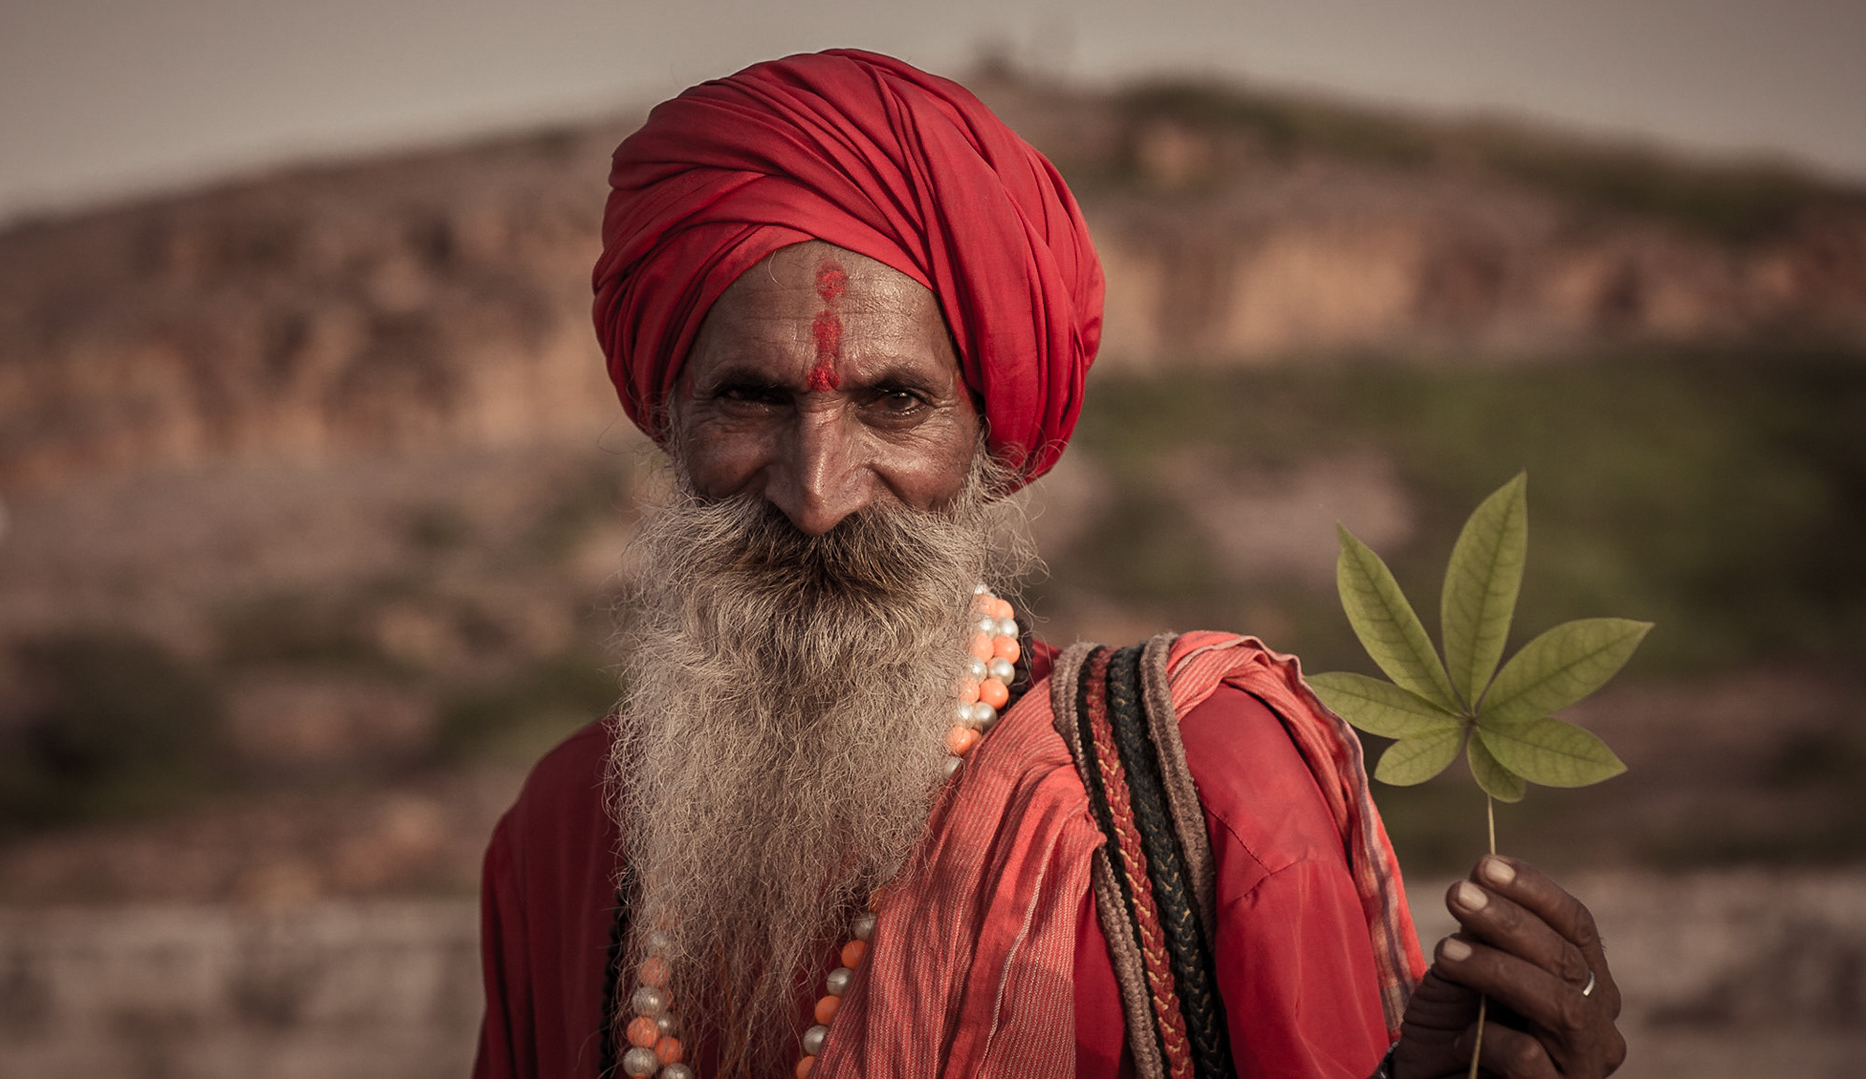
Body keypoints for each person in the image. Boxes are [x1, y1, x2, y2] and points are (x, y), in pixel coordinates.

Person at [473, 49, 1627, 1079]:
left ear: (989, 436)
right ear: (667, 419)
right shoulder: (569, 829)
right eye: (749, 397)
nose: (816, 490)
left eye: (896, 402)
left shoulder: (1217, 785)